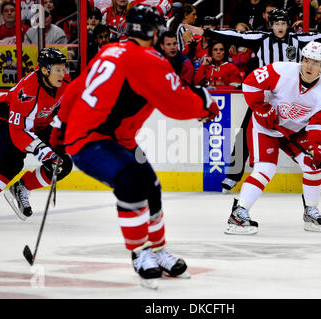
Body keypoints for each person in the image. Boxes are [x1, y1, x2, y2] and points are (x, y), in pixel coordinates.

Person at [49, 5, 219, 289]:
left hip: (110, 138)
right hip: (91, 140)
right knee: (131, 181)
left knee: (150, 185)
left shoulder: (111, 50)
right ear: (153, 31)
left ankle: (159, 251)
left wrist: (59, 125)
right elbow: (176, 103)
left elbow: (77, 86)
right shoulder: (146, 58)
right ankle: (140, 253)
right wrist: (205, 104)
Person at [184, 8, 321, 193]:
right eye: (276, 24)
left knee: (304, 136)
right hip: (264, 98)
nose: (280, 27)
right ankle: (233, 175)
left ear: (288, 24)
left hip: (293, 97)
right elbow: (234, 36)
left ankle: (317, 173)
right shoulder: (261, 39)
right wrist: (206, 32)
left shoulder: (298, 40)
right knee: (244, 134)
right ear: (271, 25)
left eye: (283, 23)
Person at [224, 41, 321, 235]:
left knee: (312, 165)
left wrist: (318, 146)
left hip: (294, 131)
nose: (309, 66)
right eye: (306, 60)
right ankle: (239, 213)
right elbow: (250, 83)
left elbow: (319, 124)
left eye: (315, 63)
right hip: (265, 127)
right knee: (265, 168)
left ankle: (311, 210)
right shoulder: (282, 71)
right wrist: (261, 109)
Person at [0, 48, 73, 227]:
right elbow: (19, 132)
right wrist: (43, 151)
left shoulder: (64, 79)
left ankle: (21, 187)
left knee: (63, 164)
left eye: (63, 68)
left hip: (39, 122)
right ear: (45, 70)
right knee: (12, 163)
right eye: (58, 69)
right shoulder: (28, 91)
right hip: (8, 121)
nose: (63, 73)